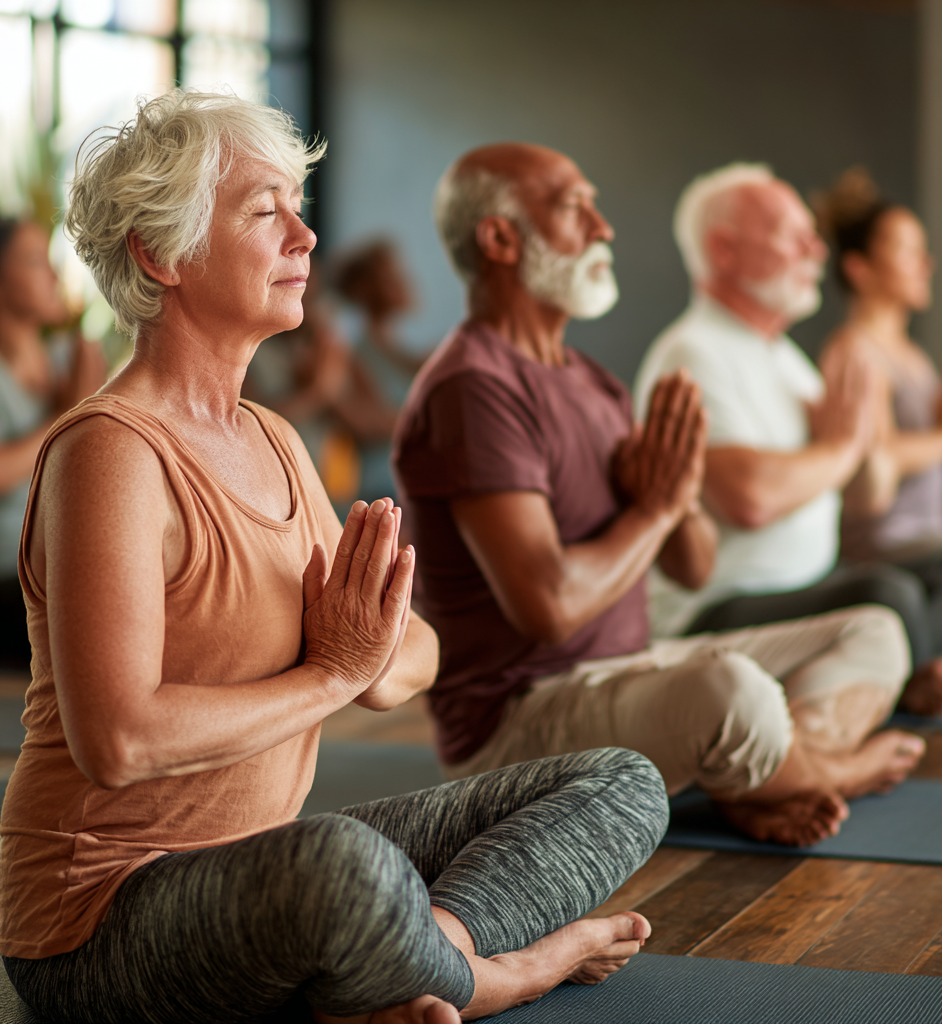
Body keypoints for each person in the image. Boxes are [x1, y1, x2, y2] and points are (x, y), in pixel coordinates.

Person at [0, 92, 669, 1024]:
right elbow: (121, 741)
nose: (306, 237)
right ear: (163, 253)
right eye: (265, 211)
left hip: (264, 871)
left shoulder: (271, 438)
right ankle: (496, 974)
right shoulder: (111, 451)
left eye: (297, 207)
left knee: (619, 782)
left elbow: (408, 663)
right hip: (101, 925)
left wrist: (371, 649)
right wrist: (336, 671)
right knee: (346, 868)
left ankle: (425, 955)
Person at [394, 142, 924, 852]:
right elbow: (548, 606)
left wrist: (674, 504)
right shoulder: (473, 388)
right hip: (517, 722)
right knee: (731, 692)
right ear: (499, 238)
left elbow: (692, 566)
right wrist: (655, 510)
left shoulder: (596, 382)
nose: (603, 228)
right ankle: (823, 771)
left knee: (875, 632)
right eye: (574, 208)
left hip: (630, 674)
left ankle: (760, 776)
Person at [634, 163, 942, 716]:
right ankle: (906, 679)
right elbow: (750, 498)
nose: (816, 249)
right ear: (724, 250)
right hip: (717, 609)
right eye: (793, 236)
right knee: (887, 596)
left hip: (815, 581)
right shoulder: (693, 353)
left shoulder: (787, 360)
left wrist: (917, 441)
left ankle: (900, 675)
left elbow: (869, 494)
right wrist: (841, 451)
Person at [816, 167, 942, 667]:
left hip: (929, 534)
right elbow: (877, 460)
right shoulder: (855, 353)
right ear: (859, 267)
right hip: (885, 547)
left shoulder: (910, 354)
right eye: (907, 250)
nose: (925, 263)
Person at [0, 218, 106, 671]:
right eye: (33, 260)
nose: (52, 275)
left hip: (68, 568)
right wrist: (67, 415)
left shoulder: (76, 357)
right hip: (9, 580)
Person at [244, 255, 396, 511]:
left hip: (331, 485)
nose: (310, 306)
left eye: (314, 295)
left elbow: (373, 417)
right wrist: (318, 391)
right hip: (275, 489)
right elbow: (247, 422)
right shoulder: (252, 350)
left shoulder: (326, 346)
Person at [333, 239, 432, 503]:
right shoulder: (351, 352)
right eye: (391, 276)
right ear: (364, 289)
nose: (404, 282)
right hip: (383, 493)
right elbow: (365, 424)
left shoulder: (405, 352)